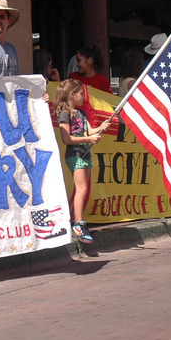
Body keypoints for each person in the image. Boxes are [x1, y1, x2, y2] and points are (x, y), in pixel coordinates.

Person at [54, 79, 111, 244]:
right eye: (80, 94)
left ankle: (77, 222)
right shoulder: (65, 113)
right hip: (75, 155)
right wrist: (89, 138)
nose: (83, 97)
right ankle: (78, 225)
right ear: (72, 94)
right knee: (82, 189)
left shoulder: (81, 113)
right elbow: (67, 138)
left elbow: (88, 130)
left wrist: (100, 128)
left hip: (85, 154)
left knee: (84, 190)